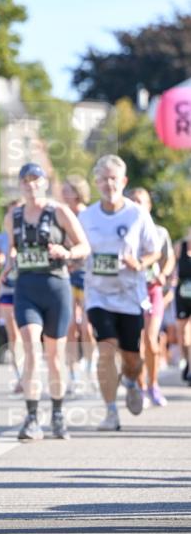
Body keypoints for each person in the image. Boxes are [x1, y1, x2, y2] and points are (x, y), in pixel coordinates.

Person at [3, 163, 89, 441]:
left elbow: (84, 247)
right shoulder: (13, 215)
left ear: (44, 182)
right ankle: (30, 418)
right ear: (20, 184)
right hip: (26, 287)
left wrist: (65, 250)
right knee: (30, 349)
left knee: (54, 356)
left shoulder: (59, 212)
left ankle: (58, 413)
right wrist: (8, 266)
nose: (30, 185)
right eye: (25, 180)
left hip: (56, 287)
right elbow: (12, 249)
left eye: (35, 179)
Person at [78, 155, 161, 431]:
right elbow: (77, 247)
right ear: (96, 182)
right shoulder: (86, 216)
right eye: (102, 178)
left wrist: (139, 263)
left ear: (123, 181)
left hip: (129, 294)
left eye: (113, 178)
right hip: (98, 294)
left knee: (131, 359)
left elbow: (154, 251)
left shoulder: (137, 214)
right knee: (105, 349)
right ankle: (111, 412)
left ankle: (131, 382)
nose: (108, 183)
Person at [128, 188, 175, 407]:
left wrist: (164, 275)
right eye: (133, 201)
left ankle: (153, 385)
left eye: (141, 201)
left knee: (151, 340)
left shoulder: (160, 232)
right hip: (129, 291)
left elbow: (170, 259)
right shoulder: (124, 231)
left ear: (149, 205)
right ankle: (140, 387)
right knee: (135, 344)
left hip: (152, 289)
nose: (137, 205)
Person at [61, 175, 96, 396]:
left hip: (89, 276)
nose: (63, 193)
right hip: (67, 275)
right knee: (70, 326)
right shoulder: (62, 215)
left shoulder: (89, 215)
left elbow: (92, 245)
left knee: (87, 328)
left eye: (67, 190)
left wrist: (78, 259)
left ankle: (91, 368)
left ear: (77, 192)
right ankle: (73, 374)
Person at [0, 201, 22, 393]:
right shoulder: (1, 238)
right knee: (13, 334)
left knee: (29, 333)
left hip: (28, 286)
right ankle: (20, 375)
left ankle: (30, 372)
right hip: (7, 287)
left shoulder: (33, 233)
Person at [174, 225, 191, 385]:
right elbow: (172, 267)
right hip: (182, 295)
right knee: (183, 334)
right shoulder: (181, 247)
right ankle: (187, 361)